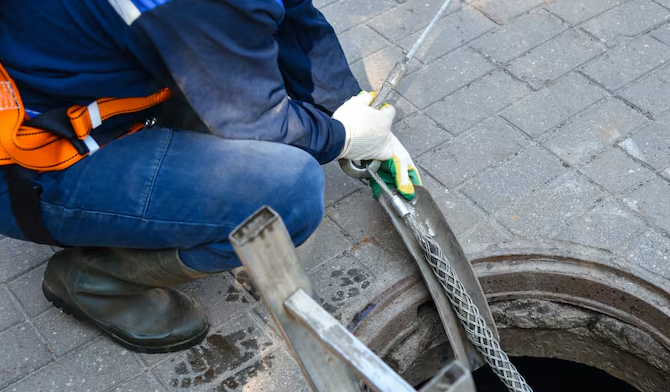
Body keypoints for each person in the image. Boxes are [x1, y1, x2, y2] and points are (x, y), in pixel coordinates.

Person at [0, 0, 421, 353]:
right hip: (32, 166)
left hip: (85, 89)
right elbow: (257, 119)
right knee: (289, 193)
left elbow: (293, 15)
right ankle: (95, 279)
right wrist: (343, 138)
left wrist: (346, 104)